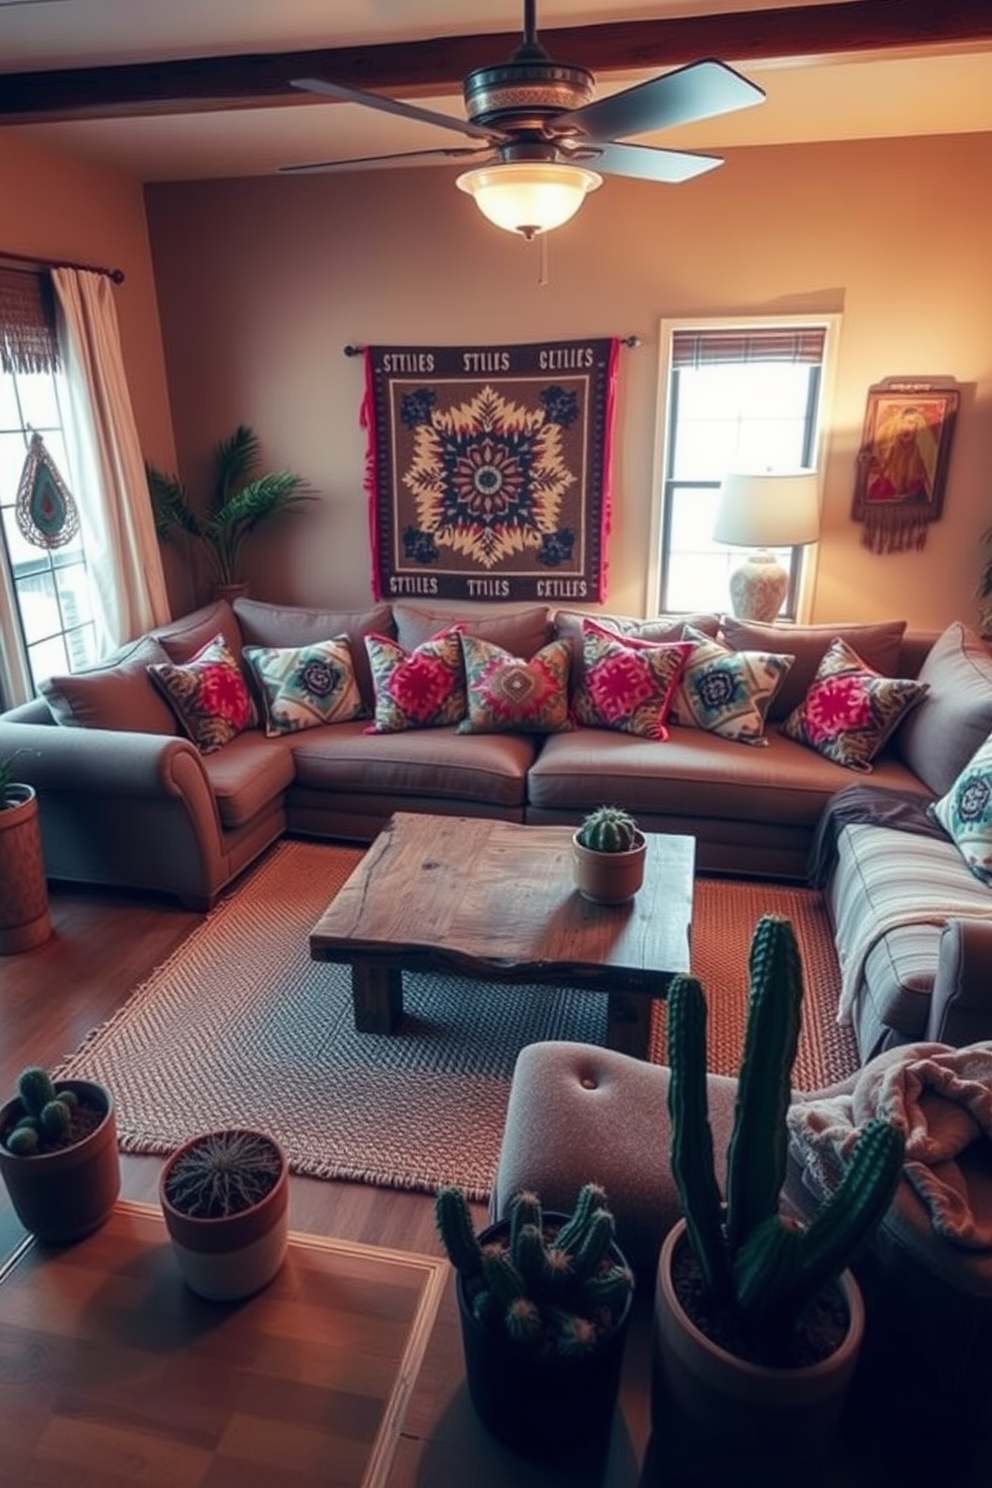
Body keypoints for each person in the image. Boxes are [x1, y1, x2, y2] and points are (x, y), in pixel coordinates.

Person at [865, 403, 936, 503]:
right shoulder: (888, 449)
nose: (905, 427)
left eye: (911, 423)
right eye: (902, 423)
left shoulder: (921, 453)